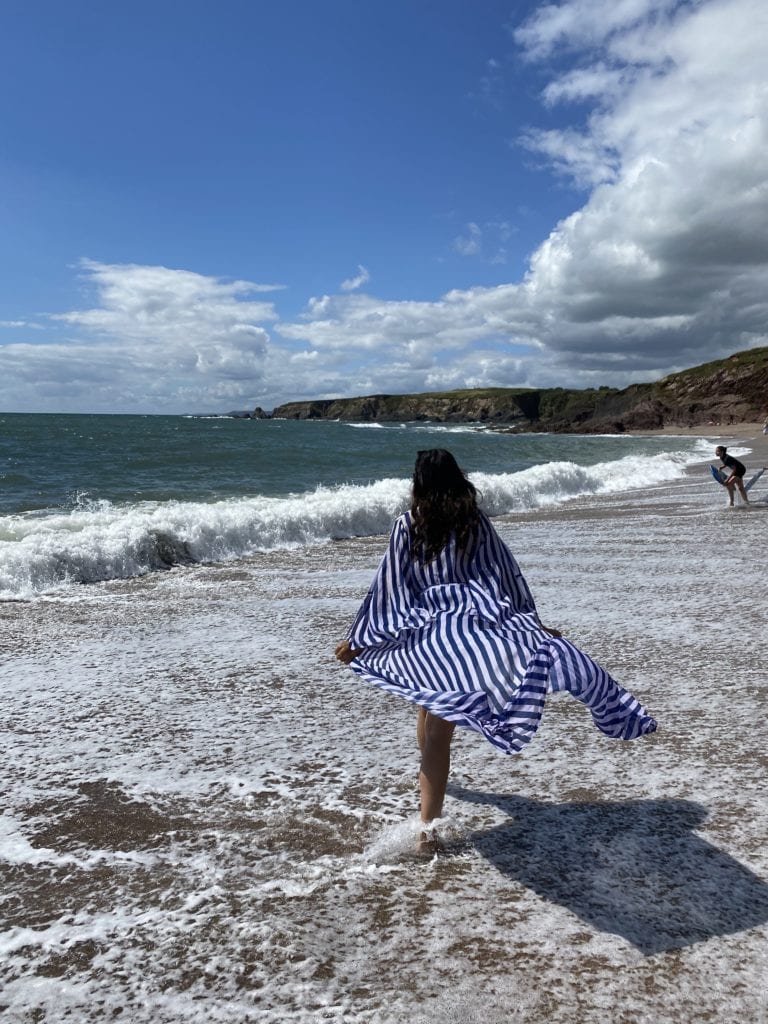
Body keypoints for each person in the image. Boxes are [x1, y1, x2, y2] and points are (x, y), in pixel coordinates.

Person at [335, 449, 656, 855]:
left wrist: (360, 638)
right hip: (476, 630)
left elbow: (388, 587)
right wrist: (532, 624)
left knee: (436, 727)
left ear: (419, 483)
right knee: (429, 710)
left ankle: (427, 832)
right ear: (457, 478)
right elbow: (505, 574)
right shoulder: (474, 521)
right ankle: (429, 785)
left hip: (430, 633)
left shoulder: (408, 524)